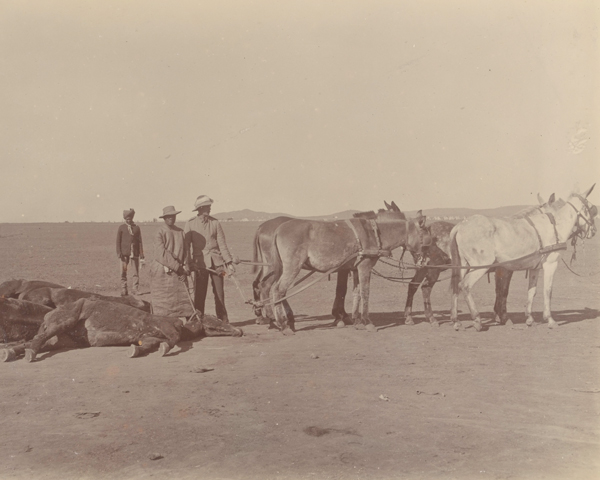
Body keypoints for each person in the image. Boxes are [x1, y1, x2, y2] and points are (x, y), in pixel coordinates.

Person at [184, 195, 238, 323]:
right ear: (200, 208)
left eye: (210, 206)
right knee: (200, 294)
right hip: (200, 265)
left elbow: (222, 244)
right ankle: (198, 320)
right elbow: (186, 247)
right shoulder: (190, 224)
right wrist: (189, 263)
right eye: (208, 206)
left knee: (220, 293)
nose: (210, 209)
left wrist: (228, 263)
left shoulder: (215, 223)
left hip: (218, 265)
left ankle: (223, 320)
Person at [149, 206, 194, 318]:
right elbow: (160, 254)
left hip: (178, 271)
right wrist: (179, 269)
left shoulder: (180, 232)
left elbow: (186, 251)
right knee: (162, 303)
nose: (171, 218)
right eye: (168, 217)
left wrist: (185, 269)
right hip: (163, 272)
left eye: (173, 216)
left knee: (181, 300)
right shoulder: (159, 232)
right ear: (164, 218)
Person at [116, 208, 144, 296]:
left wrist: (141, 253)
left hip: (134, 253)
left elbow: (140, 241)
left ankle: (135, 289)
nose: (129, 220)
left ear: (132, 218)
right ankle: (124, 289)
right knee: (123, 272)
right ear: (125, 219)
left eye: (130, 219)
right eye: (127, 219)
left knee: (135, 272)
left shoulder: (136, 228)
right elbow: (118, 241)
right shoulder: (121, 228)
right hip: (124, 254)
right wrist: (119, 253)